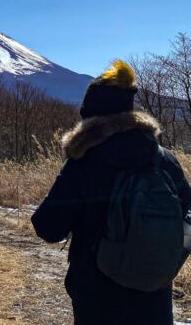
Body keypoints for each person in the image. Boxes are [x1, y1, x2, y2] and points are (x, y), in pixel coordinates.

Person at [32, 60, 191, 325]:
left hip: (98, 300)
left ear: (90, 115)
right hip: (154, 297)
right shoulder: (162, 159)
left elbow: (49, 227)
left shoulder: (84, 161)